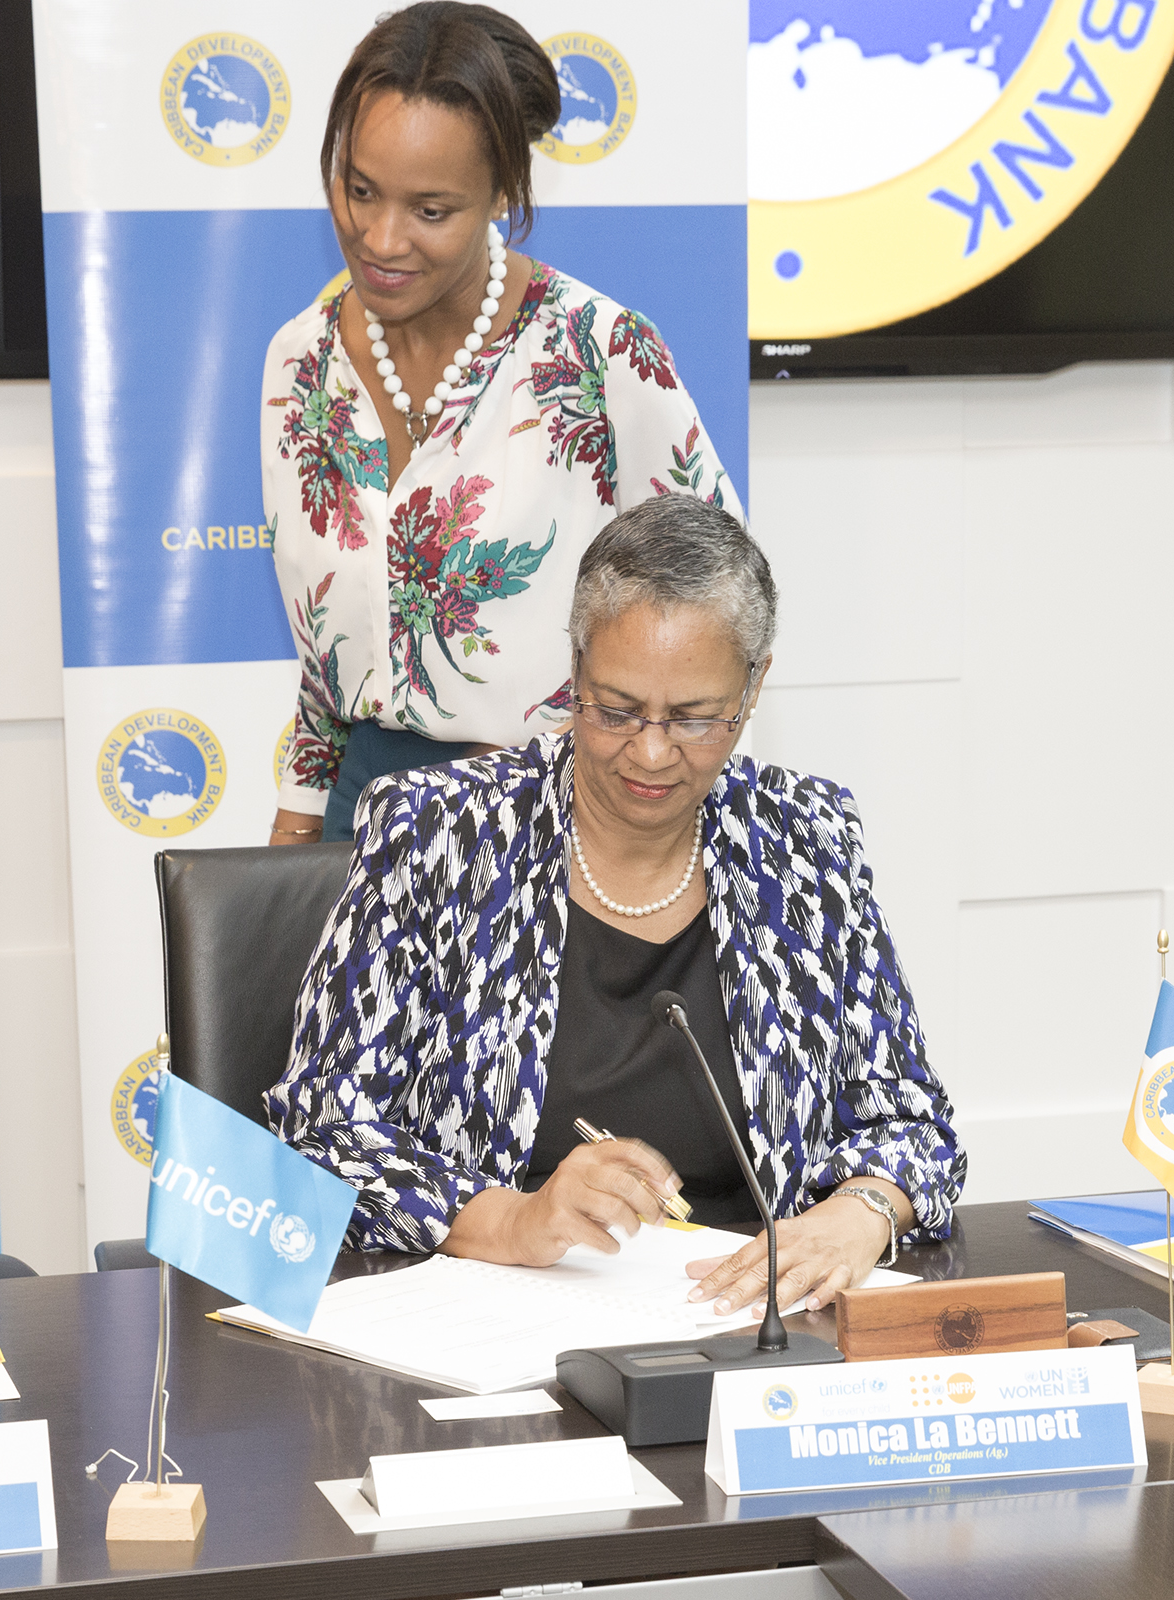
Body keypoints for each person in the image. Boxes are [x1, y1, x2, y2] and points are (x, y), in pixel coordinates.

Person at [268, 499, 963, 1315]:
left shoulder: (804, 840)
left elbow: (913, 1121)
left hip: (753, 1325)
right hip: (499, 1318)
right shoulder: (441, 833)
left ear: (754, 682)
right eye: (618, 709)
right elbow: (322, 1132)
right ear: (576, 666)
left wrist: (859, 1215)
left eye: (697, 718)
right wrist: (515, 1220)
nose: (654, 751)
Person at [266, 2, 735, 847]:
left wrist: (593, 752)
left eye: (431, 209)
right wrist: (298, 820)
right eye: (359, 188)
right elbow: (326, 646)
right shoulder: (299, 363)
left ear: (504, 194)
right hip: (361, 808)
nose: (379, 237)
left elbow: (721, 603)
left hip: (554, 811)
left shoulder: (599, 354)